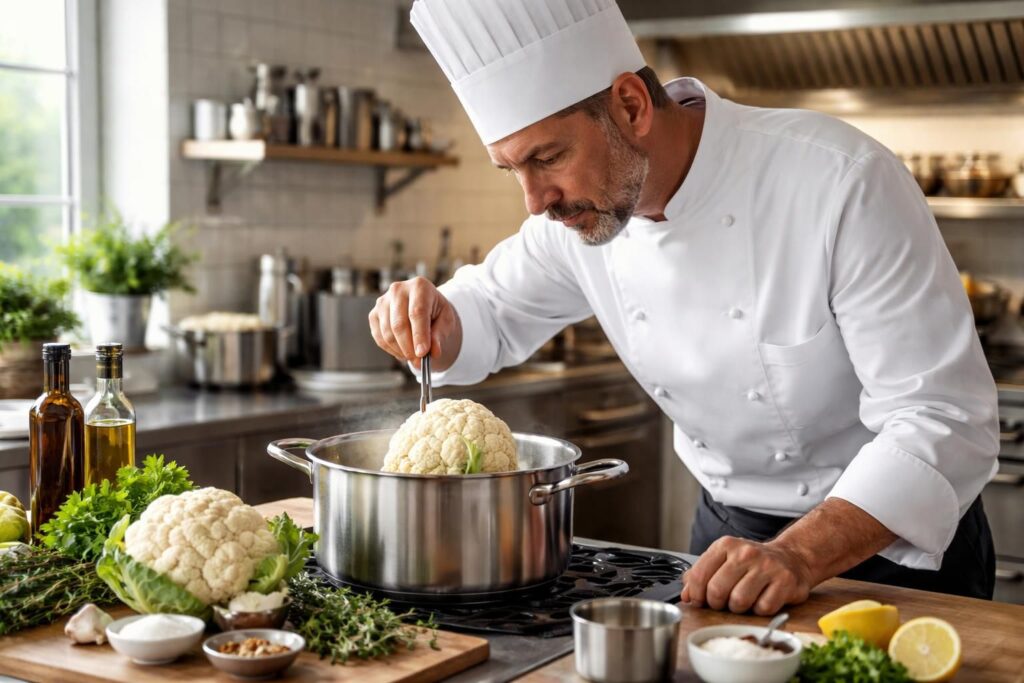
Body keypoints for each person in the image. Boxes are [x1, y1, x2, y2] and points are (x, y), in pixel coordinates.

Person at [368, 0, 999, 615]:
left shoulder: (840, 180)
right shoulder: (582, 216)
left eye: (548, 157)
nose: (536, 201)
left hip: (891, 547)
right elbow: (491, 310)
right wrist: (436, 320)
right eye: (512, 169)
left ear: (631, 105)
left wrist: (800, 556)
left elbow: (941, 416)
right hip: (727, 547)